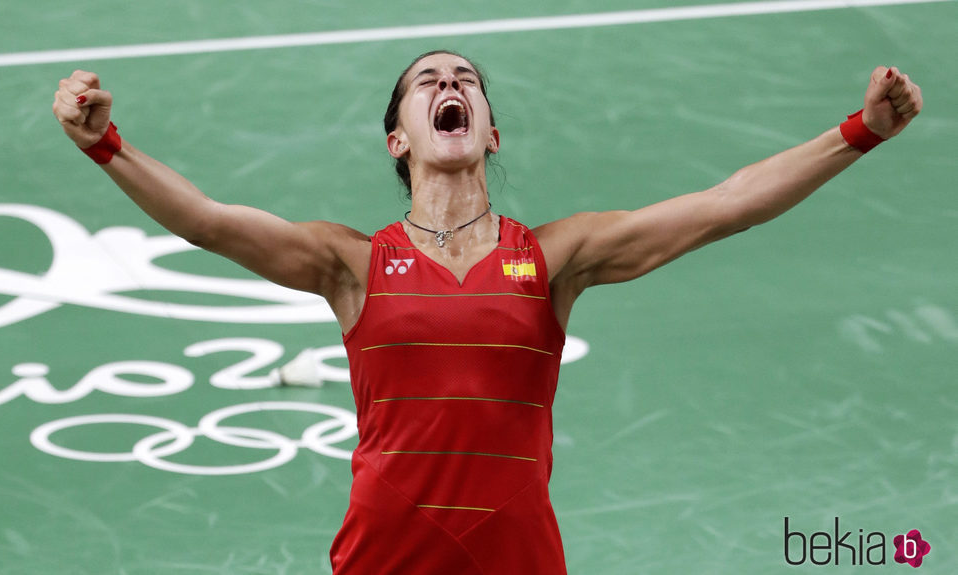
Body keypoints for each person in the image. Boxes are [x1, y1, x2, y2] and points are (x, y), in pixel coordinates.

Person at [53, 50, 922, 574]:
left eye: (464, 79)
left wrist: (860, 131)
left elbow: (726, 202)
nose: (448, 84)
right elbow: (206, 221)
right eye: (427, 81)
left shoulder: (552, 258)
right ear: (401, 135)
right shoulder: (352, 264)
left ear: (488, 133)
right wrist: (107, 148)